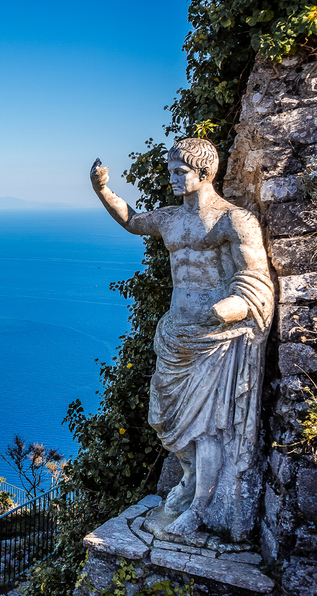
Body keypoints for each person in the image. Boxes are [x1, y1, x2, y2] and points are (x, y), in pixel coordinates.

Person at [90, 138, 273, 540]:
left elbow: (257, 276)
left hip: (213, 338)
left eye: (180, 171)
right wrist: (103, 190)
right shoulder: (171, 219)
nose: (172, 178)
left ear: (205, 173)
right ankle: (190, 480)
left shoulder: (232, 220)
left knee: (205, 428)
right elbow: (133, 221)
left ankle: (200, 508)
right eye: (171, 170)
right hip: (176, 334)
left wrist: (236, 305)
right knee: (165, 417)